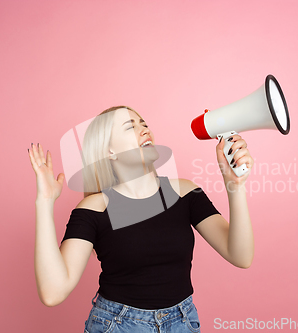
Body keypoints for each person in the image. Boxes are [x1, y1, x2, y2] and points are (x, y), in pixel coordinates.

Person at [28, 106, 254, 333]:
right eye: (131, 127)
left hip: (183, 323)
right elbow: (53, 292)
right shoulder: (94, 209)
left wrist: (235, 185)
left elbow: (240, 256)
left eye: (144, 124)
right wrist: (45, 202)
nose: (145, 130)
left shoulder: (186, 193)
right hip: (118, 325)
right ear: (110, 151)